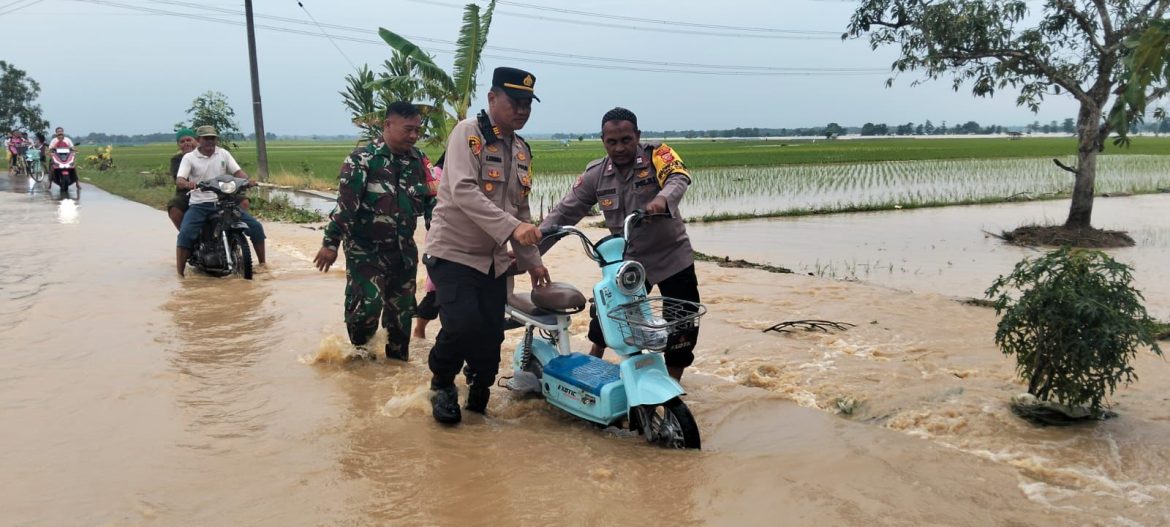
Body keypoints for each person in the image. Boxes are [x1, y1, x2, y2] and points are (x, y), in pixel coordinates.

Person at [423, 66, 550, 424]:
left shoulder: (522, 151)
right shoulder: (469, 134)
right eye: (515, 102)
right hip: (453, 254)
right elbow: (463, 190)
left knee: (490, 336)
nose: (522, 110)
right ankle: (442, 384)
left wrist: (534, 261)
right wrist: (513, 228)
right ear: (493, 98)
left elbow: (520, 208)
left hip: (494, 261)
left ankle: (478, 390)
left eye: (528, 103)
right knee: (462, 324)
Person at [539, 107, 701, 382]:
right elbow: (565, 212)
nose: (620, 147)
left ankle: (674, 384)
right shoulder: (596, 174)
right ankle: (592, 366)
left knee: (682, 321)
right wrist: (533, 247)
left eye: (626, 140)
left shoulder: (657, 155)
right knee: (607, 313)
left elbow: (678, 177)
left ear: (637, 136)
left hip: (672, 256)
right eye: (612, 142)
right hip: (629, 261)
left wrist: (662, 199)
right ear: (603, 141)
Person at [312, 101, 436, 361]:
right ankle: (361, 363)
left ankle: (395, 370)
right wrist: (330, 244)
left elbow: (433, 206)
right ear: (387, 125)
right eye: (408, 129)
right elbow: (345, 208)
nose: (414, 136)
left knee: (401, 316)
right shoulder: (361, 161)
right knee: (368, 306)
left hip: (403, 252)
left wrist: (442, 245)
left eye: (417, 130)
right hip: (365, 251)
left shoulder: (419, 161)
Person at [175, 125, 266, 277]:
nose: (210, 141)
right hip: (200, 204)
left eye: (213, 138)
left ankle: (263, 264)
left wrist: (248, 181)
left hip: (224, 201)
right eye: (206, 138)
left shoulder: (223, 153)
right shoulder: (189, 158)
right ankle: (180, 274)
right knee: (185, 233)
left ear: (216, 139)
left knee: (256, 227)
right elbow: (179, 179)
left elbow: (237, 172)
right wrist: (187, 183)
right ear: (199, 140)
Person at [412, 153, 444, 340]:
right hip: (439, 240)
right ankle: (419, 329)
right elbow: (431, 214)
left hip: (464, 243)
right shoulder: (436, 174)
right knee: (436, 291)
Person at [166, 128, 201, 229]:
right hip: (186, 192)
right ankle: (186, 235)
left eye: (189, 140)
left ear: (196, 141)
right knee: (174, 206)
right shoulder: (177, 159)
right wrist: (187, 184)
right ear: (178, 145)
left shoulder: (205, 154)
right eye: (182, 141)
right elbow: (179, 178)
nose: (186, 143)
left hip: (210, 189)